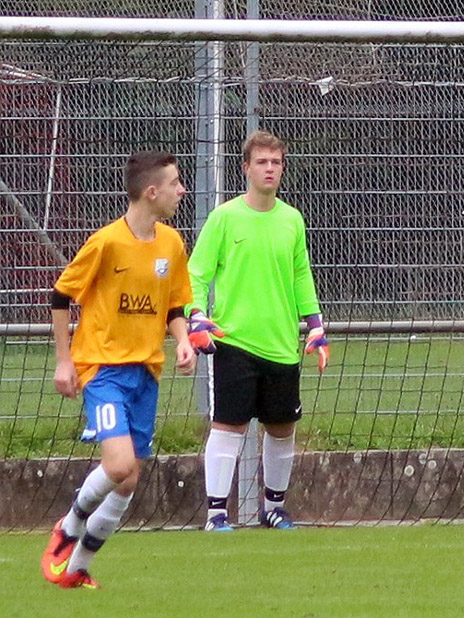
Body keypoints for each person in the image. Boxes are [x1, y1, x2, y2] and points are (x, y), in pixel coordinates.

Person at [41, 151, 195, 589]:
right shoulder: (106, 243)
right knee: (119, 463)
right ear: (152, 192)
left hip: (145, 373)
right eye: (175, 183)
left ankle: (76, 568)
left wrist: (183, 340)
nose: (181, 190)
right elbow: (60, 296)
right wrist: (64, 360)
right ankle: (67, 528)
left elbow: (174, 305)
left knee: (128, 480)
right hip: (103, 370)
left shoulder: (171, 244)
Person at [188, 130, 329, 531]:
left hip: (283, 344)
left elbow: (301, 276)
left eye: (276, 162)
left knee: (282, 427)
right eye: (262, 162)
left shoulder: (292, 220)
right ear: (245, 167)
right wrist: (197, 317)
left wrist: (315, 325)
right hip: (234, 341)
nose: (270, 169)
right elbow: (195, 275)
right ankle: (217, 514)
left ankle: (274, 509)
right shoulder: (224, 218)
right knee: (229, 425)